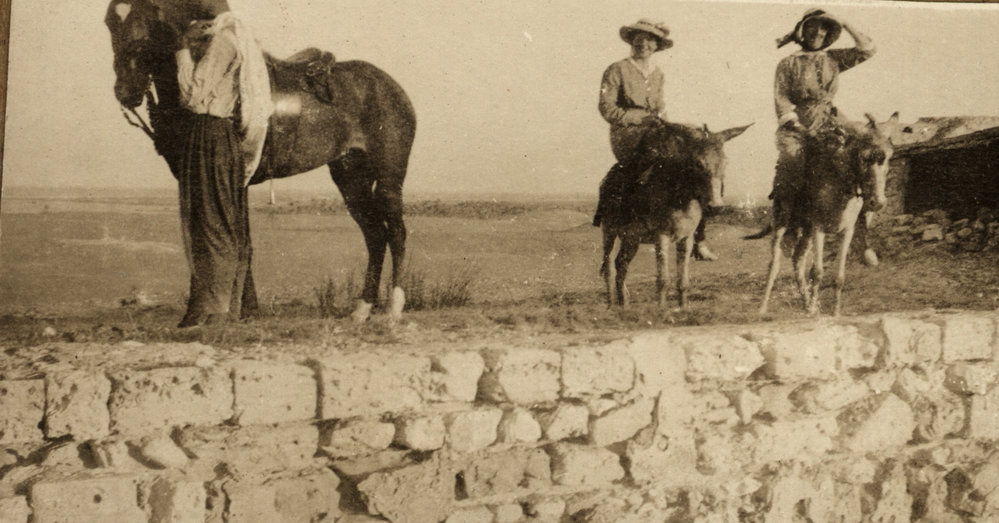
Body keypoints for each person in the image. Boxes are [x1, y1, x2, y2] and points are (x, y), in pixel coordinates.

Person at [174, 0, 270, 327]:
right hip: (217, 136)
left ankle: (217, 309)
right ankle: (213, 307)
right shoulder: (233, 36)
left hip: (209, 134)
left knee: (212, 223)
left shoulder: (223, 41)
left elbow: (193, 94)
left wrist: (181, 50)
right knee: (213, 220)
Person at [594, 19, 719, 261]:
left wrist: (673, 128)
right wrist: (637, 118)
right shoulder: (616, 69)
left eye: (650, 39)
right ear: (632, 41)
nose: (644, 43)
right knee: (657, 157)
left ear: (656, 46)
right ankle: (630, 218)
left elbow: (660, 108)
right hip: (627, 133)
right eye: (640, 38)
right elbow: (606, 107)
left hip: (655, 131)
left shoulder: (657, 73)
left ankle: (698, 236)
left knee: (695, 159)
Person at [772, 8, 880, 266]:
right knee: (791, 161)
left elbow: (867, 49)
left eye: (824, 29)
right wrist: (797, 125)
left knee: (859, 159)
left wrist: (844, 21)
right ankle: (787, 225)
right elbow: (782, 99)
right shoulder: (787, 64)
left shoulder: (834, 59)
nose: (818, 33)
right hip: (797, 126)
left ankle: (862, 238)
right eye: (813, 27)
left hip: (830, 121)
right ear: (802, 31)